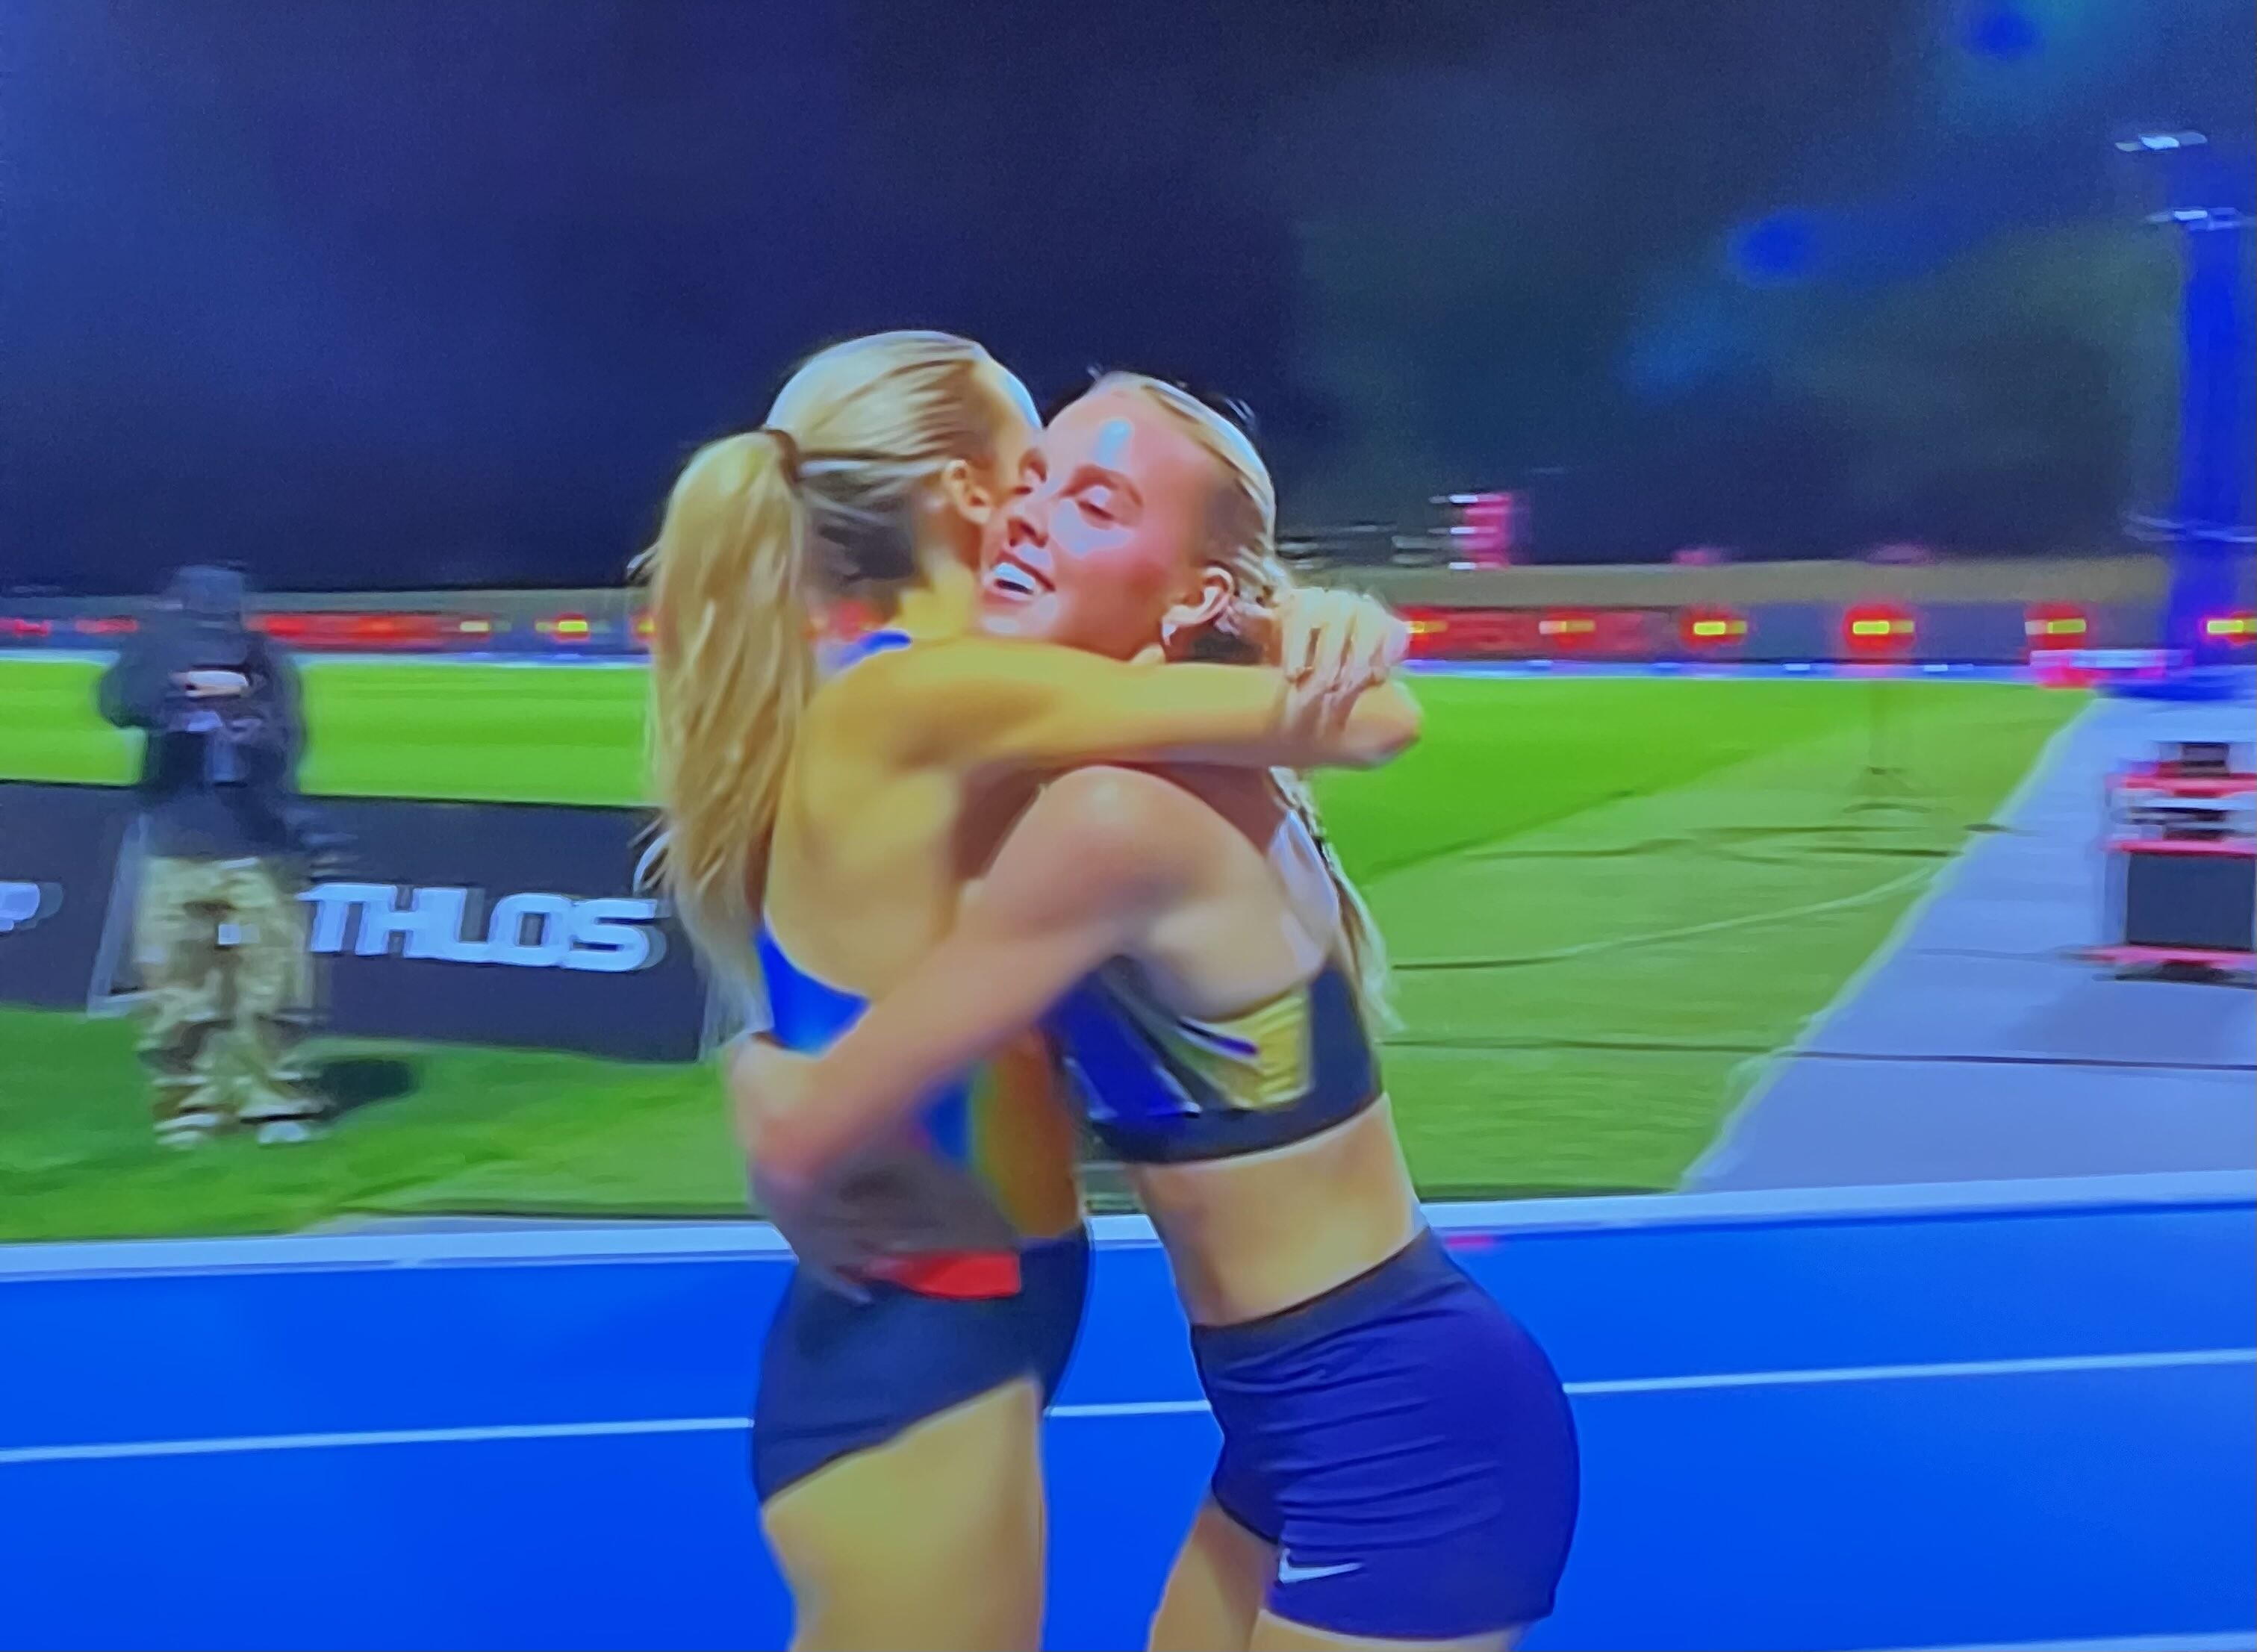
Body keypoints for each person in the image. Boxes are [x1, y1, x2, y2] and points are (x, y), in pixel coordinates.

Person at [738, 376, 1580, 1652]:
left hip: (1399, 1424)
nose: (1030, 516)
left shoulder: (1108, 821)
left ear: (1191, 595)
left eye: (1096, 502)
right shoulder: (1157, 773)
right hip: (1298, 1409)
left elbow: (824, 1121)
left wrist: (767, 1093)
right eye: (1032, 483)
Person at [96, 565, 327, 1148]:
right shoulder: (153, 652)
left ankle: (274, 1100)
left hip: (260, 839)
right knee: (177, 986)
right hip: (176, 840)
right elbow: (118, 704)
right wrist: (175, 684)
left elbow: (290, 740)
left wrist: (245, 714)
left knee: (274, 984)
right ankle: (187, 1102)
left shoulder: (266, 660)